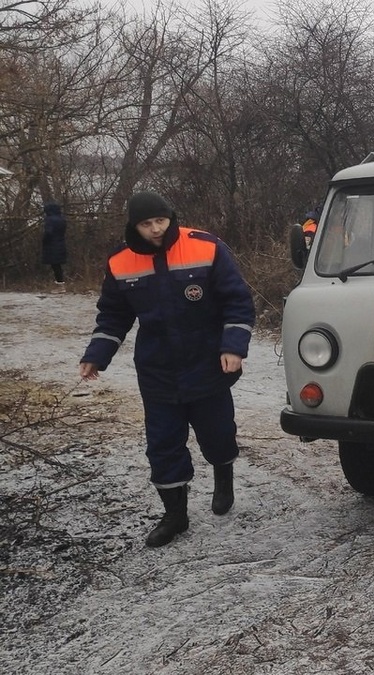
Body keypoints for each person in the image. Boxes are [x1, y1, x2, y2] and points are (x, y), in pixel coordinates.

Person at [79, 191, 256, 548]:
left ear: (171, 217)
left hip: (207, 360)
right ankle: (175, 515)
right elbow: (114, 314)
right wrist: (97, 353)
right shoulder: (120, 261)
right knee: (162, 445)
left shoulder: (205, 247)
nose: (156, 229)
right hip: (157, 368)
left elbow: (237, 300)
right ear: (134, 226)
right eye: (147, 224)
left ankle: (224, 477)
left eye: (161, 221)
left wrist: (233, 348)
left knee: (217, 432)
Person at [42, 201, 68, 292]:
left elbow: (48, 233)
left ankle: (60, 286)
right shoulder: (62, 219)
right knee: (57, 265)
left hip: (52, 245)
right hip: (61, 243)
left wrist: (44, 240)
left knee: (55, 266)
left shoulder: (49, 220)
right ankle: (60, 284)